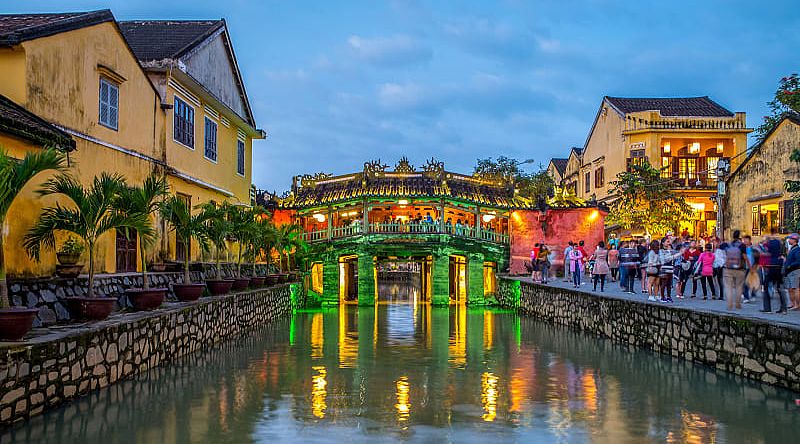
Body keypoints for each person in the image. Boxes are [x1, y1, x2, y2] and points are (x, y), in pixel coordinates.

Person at [761, 236, 788, 314]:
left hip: (770, 268)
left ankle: (767, 308)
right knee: (780, 288)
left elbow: (767, 256)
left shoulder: (769, 249)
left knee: (765, 287)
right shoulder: (780, 252)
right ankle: (784, 309)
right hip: (778, 268)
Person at [723, 230, 749, 311]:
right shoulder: (742, 246)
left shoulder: (729, 245)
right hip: (740, 268)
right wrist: (749, 266)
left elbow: (726, 256)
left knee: (728, 287)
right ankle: (737, 304)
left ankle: (729, 304)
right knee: (739, 286)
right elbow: (745, 257)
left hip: (728, 268)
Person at [784, 233, 800, 311]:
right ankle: (792, 304)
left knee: (795, 288)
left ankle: (797, 305)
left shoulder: (797, 249)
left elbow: (798, 261)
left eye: (790, 239)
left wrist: (789, 265)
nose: (788, 240)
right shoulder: (793, 249)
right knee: (790, 289)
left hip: (794, 271)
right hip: (790, 271)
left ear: (794, 240)